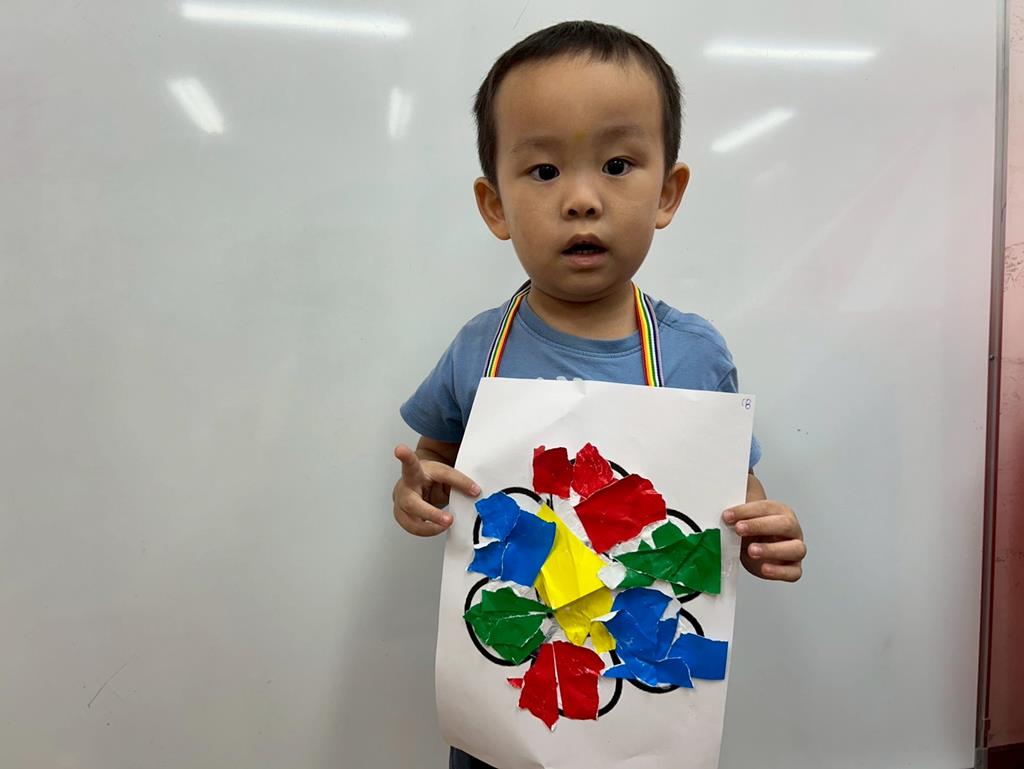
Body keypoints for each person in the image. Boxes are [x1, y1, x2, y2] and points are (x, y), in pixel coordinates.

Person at [390, 20, 807, 769]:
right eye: (544, 170)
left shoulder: (694, 354)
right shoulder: (478, 348)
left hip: (637, 698)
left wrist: (765, 530)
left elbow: (732, 494)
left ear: (667, 193)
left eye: (617, 165)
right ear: (494, 205)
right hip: (510, 695)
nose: (582, 199)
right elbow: (435, 460)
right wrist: (417, 492)